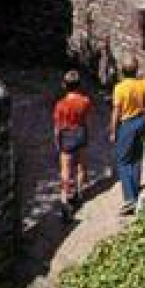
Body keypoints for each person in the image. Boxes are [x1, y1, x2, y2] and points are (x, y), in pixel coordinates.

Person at [110, 58, 145, 215]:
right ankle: (136, 188)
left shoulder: (119, 88)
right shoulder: (144, 84)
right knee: (137, 157)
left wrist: (113, 131)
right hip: (140, 121)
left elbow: (116, 112)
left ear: (122, 70)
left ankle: (130, 199)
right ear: (136, 69)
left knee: (123, 161)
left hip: (126, 124)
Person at [52, 70, 92, 221]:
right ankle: (79, 194)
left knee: (65, 170)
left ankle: (65, 200)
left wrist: (57, 142)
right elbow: (86, 118)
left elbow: (57, 127)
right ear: (79, 85)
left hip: (67, 135)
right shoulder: (85, 101)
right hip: (81, 132)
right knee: (81, 166)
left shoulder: (60, 105)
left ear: (65, 85)